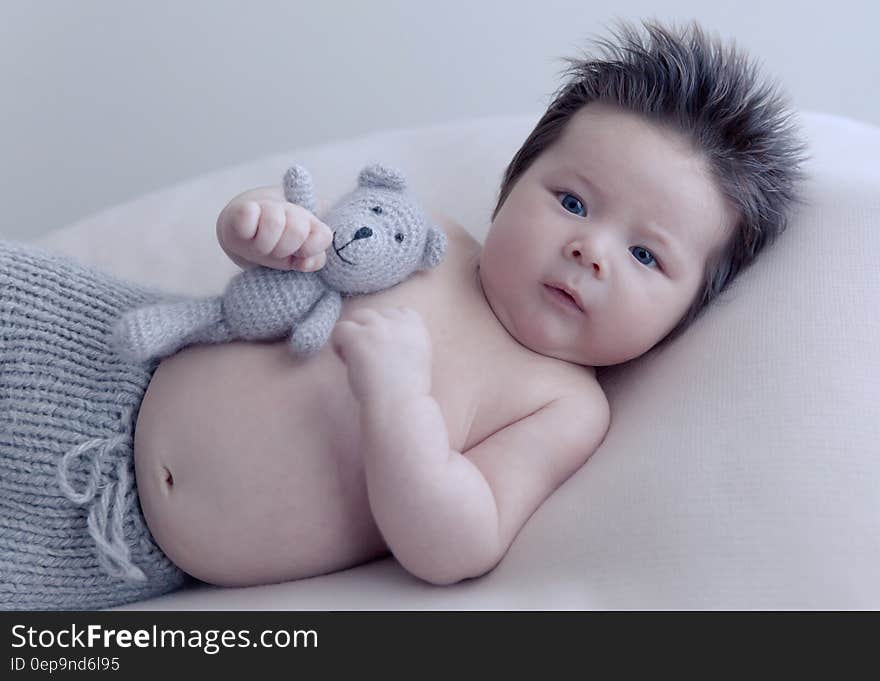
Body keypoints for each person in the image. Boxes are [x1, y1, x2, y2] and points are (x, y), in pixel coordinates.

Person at [0, 20, 807, 610]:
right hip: (101, 347)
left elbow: (454, 544)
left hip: (102, 543)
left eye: (645, 255)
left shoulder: (561, 406)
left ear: (686, 312)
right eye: (570, 200)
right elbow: (293, 249)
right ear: (512, 184)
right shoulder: (435, 240)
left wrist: (400, 404)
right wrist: (257, 224)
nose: (591, 250)